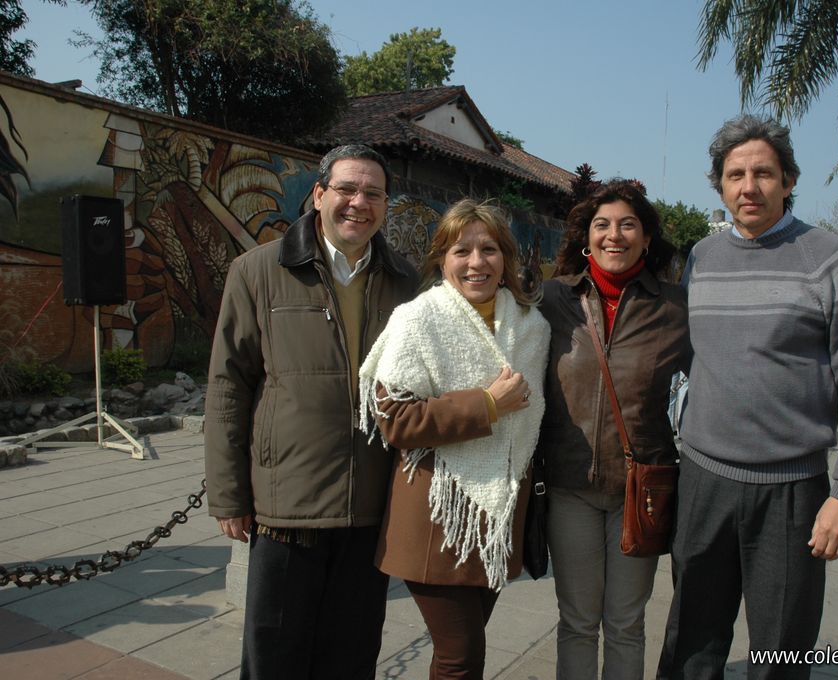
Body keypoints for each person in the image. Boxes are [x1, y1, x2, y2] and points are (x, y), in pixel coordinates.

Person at [658, 115, 838, 680]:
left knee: (782, 647)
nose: (749, 187)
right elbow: (692, 358)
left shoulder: (829, 259)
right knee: (691, 642)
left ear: (788, 180)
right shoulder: (702, 258)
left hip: (792, 491)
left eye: (763, 173)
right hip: (704, 482)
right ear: (719, 186)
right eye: (735, 175)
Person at [204, 144, 419, 680]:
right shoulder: (258, 271)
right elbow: (228, 386)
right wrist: (228, 494)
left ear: (385, 206)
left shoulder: (406, 283)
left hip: (371, 510)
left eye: (373, 193)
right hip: (287, 509)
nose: (359, 203)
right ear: (319, 194)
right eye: (347, 189)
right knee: (274, 660)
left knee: (350, 661)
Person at [358, 199, 549, 680]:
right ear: (442, 260)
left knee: (462, 652)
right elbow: (395, 420)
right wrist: (487, 404)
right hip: (437, 514)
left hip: (499, 518)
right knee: (461, 657)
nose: (476, 262)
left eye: (489, 249)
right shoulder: (417, 320)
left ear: (505, 258)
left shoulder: (533, 328)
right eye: (461, 250)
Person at [537, 180, 690, 680]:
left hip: (640, 490)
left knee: (626, 623)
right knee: (578, 622)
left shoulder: (676, 308)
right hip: (570, 487)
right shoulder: (553, 299)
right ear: (587, 236)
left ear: (646, 238)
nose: (614, 235)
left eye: (628, 225)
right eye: (602, 225)